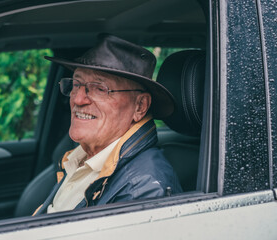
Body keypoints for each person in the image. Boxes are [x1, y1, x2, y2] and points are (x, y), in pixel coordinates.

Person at [33, 34, 182, 215]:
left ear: (140, 106)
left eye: (100, 88)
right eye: (76, 84)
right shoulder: (79, 158)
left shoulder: (141, 192)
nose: (78, 99)